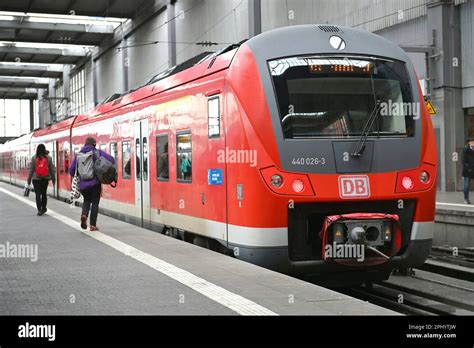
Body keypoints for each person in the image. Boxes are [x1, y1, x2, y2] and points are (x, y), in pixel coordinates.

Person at [69, 137, 115, 231]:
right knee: (95, 203)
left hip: (83, 185)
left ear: (85, 144)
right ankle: (93, 225)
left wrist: (80, 174)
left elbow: (71, 171)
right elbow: (111, 160)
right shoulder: (97, 152)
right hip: (95, 184)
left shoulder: (78, 155)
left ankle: (84, 215)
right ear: (94, 144)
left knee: (86, 201)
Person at [27, 144, 56, 216]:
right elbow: (51, 169)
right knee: (44, 194)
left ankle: (39, 209)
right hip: (45, 178)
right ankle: (44, 208)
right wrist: (53, 178)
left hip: (36, 179)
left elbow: (31, 169)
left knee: (37, 194)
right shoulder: (49, 158)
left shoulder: (34, 158)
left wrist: (29, 178)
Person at [462, 138, 474, 204]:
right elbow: (464, 160)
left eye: (473, 142)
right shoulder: (466, 149)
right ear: (469, 143)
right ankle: (466, 198)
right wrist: (468, 168)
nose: (472, 143)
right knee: (466, 185)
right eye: (471, 142)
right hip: (467, 170)